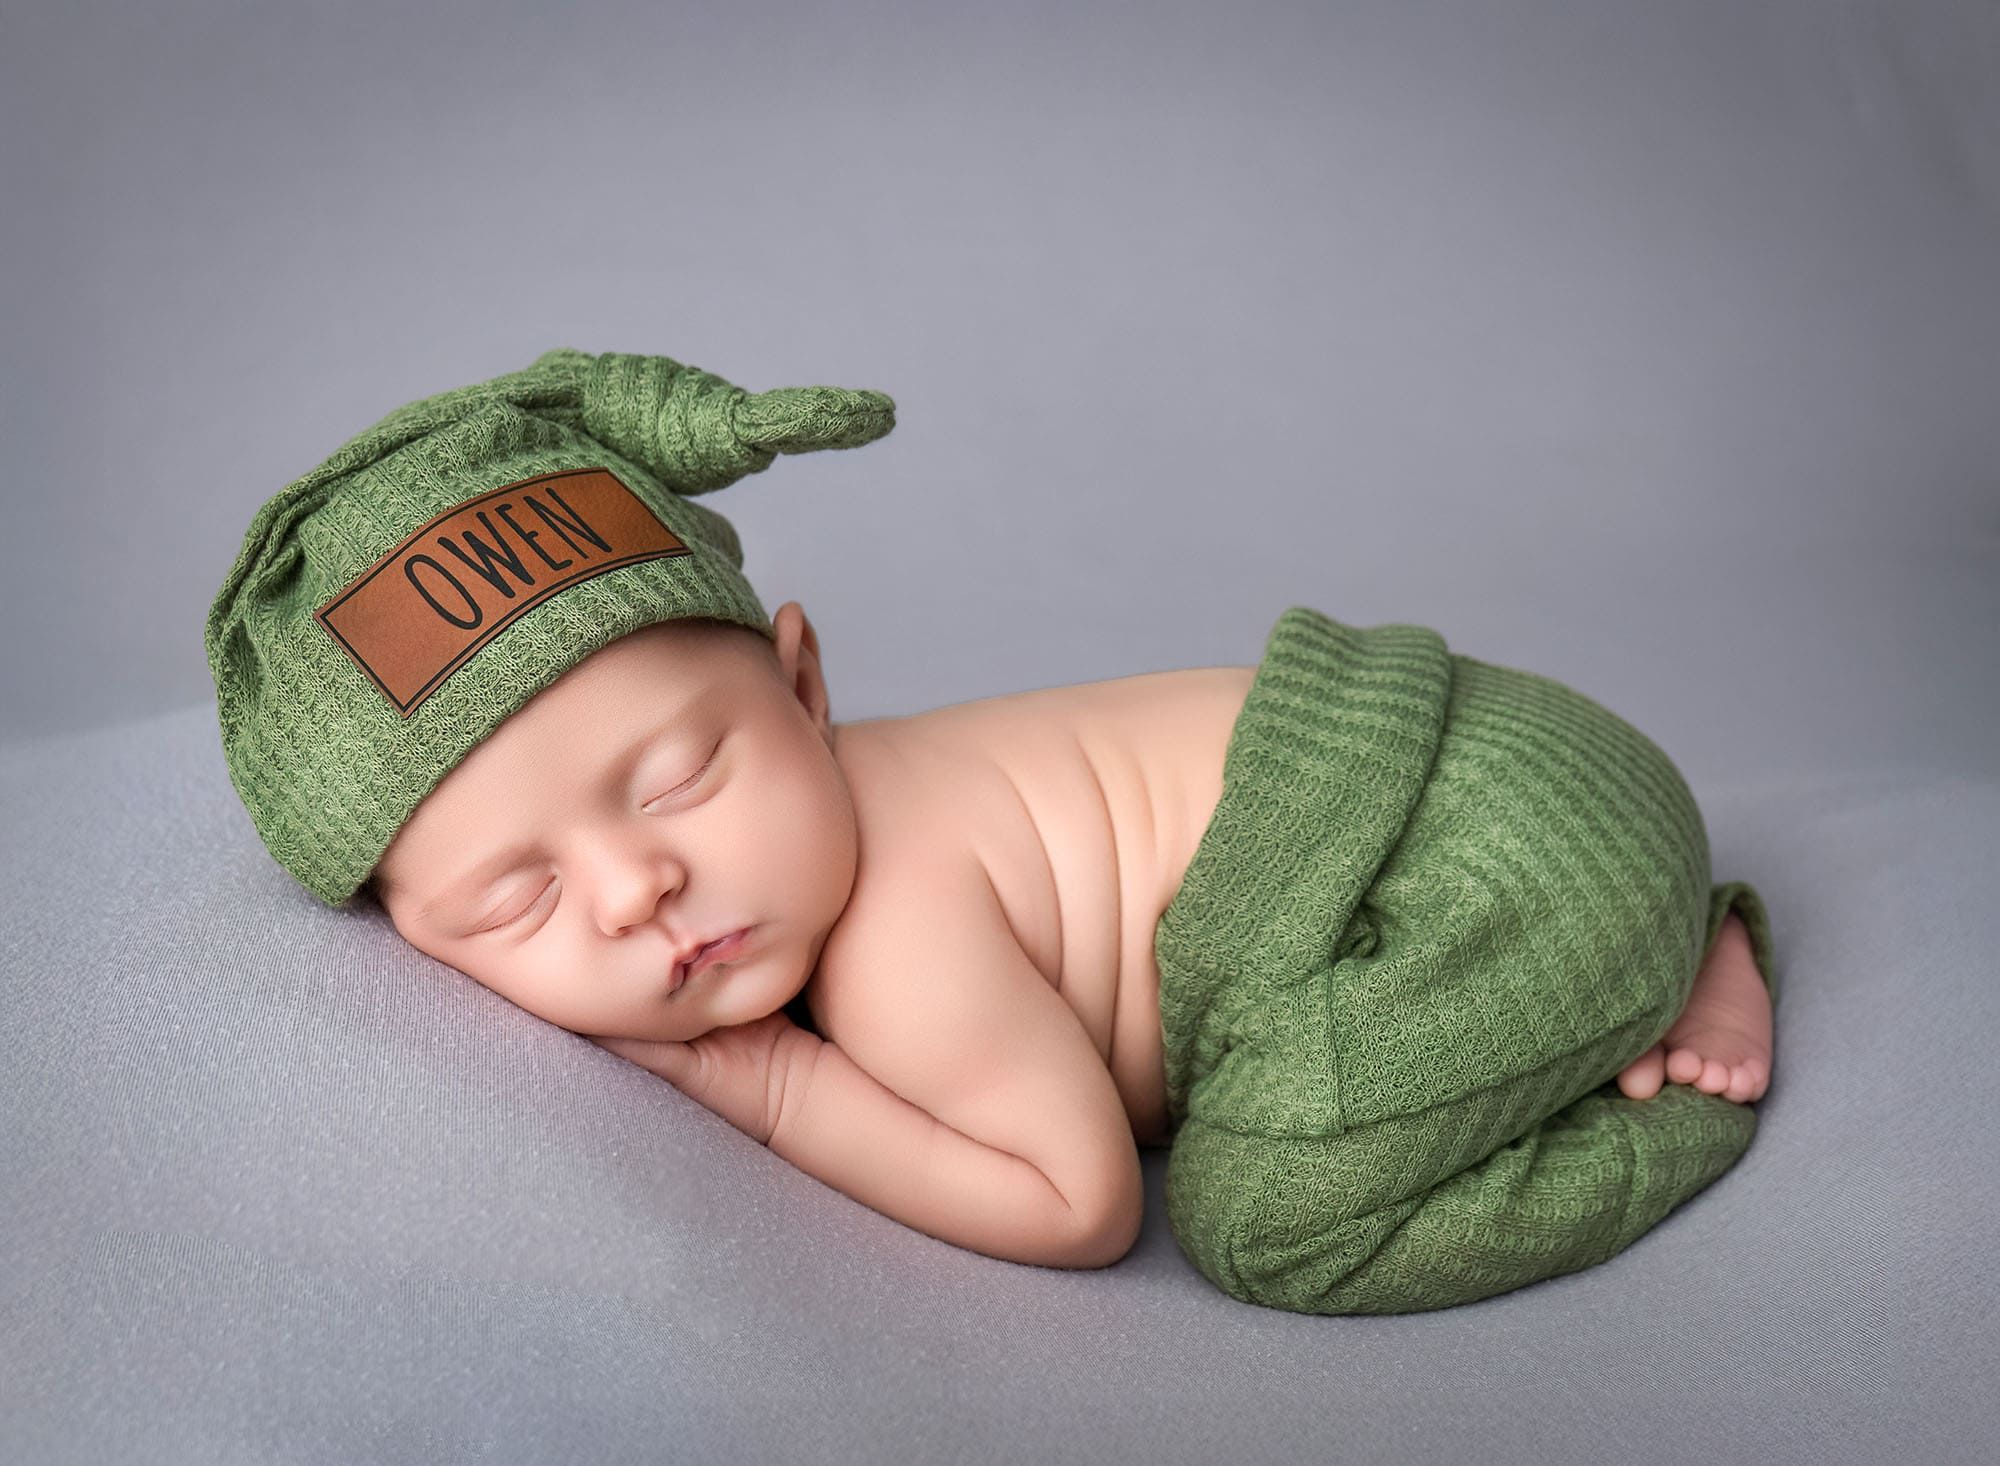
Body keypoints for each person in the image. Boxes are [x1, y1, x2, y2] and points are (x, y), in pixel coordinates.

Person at [208, 346, 1776, 1315]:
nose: (637, 888)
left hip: (1479, 849)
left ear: (808, 685)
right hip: (1488, 763)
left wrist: (771, 1085)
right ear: (409, 933)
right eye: (515, 896)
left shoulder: (895, 935)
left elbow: (1078, 1201)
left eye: (685, 777)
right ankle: (1657, 946)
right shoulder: (820, 850)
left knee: (1268, 1222)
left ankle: (1659, 1068)